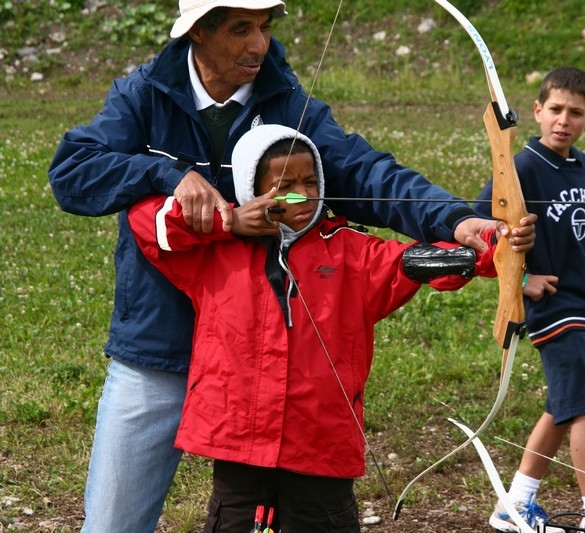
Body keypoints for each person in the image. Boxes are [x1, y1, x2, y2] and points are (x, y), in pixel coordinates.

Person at [46, 2, 534, 531]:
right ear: (198, 33)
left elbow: (363, 172)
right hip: (158, 341)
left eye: (265, 27)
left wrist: (457, 223)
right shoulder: (143, 94)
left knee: (256, 509)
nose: (259, 45)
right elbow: (74, 171)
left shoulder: (284, 97)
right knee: (113, 522)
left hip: (256, 355)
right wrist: (167, 174)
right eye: (240, 29)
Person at [128, 123, 515, 532]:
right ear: (251, 191)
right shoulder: (214, 253)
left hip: (320, 447)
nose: (303, 194)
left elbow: (413, 261)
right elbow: (144, 222)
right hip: (238, 443)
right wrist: (230, 222)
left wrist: (498, 243)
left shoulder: (350, 251)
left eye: (311, 182)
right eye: (286, 185)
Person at [474, 67, 585, 533]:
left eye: (576, 113)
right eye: (556, 110)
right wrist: (519, 281)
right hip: (553, 306)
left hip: (584, 301)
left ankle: (514, 504)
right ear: (538, 112)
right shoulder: (520, 168)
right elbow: (482, 230)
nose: (564, 120)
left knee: (564, 407)